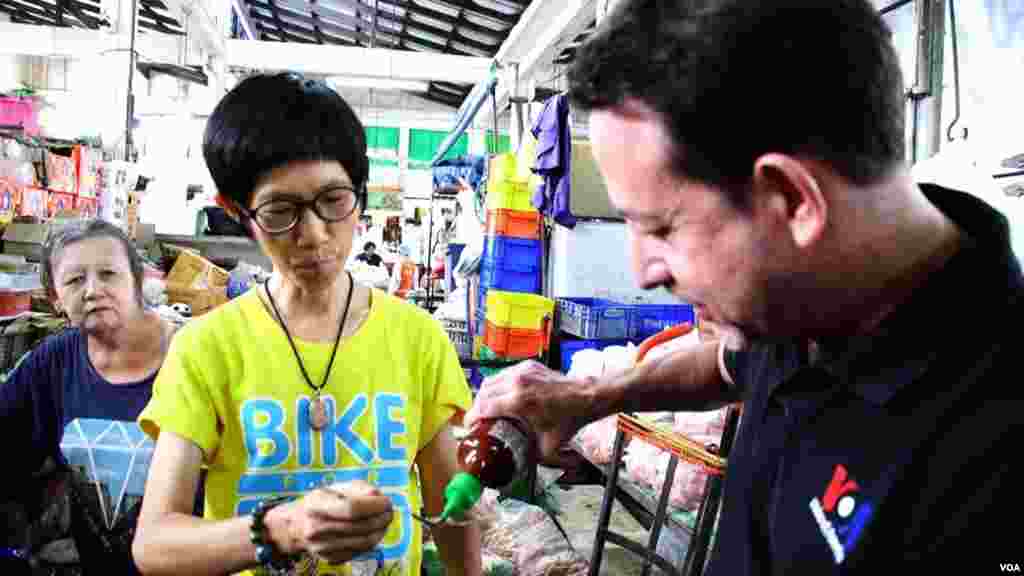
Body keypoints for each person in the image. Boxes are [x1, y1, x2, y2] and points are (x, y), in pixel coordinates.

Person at [466, 0, 1022, 572]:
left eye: (662, 228)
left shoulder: (989, 462)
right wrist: (587, 399)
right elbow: (727, 368)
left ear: (792, 199)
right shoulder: (807, 301)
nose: (643, 271)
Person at [132, 72, 480, 576]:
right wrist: (283, 528)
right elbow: (155, 544)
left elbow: (452, 513)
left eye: (334, 201)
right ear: (237, 211)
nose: (314, 234)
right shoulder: (206, 349)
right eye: (281, 210)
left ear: (359, 193)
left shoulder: (417, 339)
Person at [0, 219, 175, 574]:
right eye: (75, 280)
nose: (93, 290)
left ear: (137, 281)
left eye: (108, 274)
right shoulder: (54, 361)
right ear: (55, 299)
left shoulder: (190, 354)